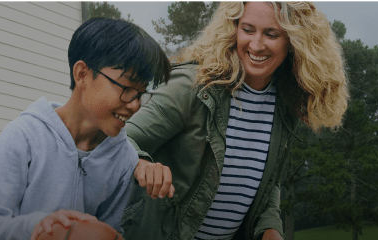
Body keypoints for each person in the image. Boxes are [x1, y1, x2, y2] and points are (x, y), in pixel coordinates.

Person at [121, 2, 348, 240]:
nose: (256, 45)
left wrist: (270, 230)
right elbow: (123, 138)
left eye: (271, 34)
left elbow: (267, 184)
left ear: (294, 42)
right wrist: (142, 164)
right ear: (233, 29)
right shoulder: (193, 86)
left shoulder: (285, 103)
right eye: (248, 30)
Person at [0, 18, 170, 240]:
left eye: (140, 94)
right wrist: (38, 226)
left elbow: (108, 231)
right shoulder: (23, 136)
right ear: (82, 74)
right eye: (126, 88)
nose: (135, 104)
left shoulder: (124, 159)